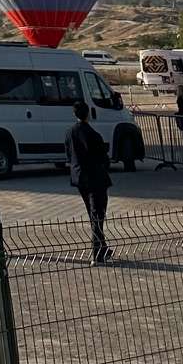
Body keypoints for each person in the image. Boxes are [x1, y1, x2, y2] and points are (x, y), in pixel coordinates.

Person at [66, 100, 113, 264]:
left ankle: (103, 247)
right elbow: (102, 156)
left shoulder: (70, 132)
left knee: (93, 213)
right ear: (88, 114)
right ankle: (97, 252)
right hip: (95, 178)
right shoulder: (92, 134)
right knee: (98, 214)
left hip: (80, 178)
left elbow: (68, 154)